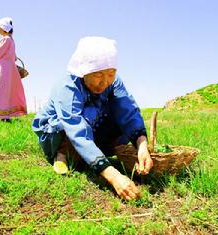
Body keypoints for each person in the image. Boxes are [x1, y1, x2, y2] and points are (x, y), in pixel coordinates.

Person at [32, 36, 153, 200]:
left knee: (117, 113)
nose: (105, 81)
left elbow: (128, 109)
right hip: (61, 131)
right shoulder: (67, 86)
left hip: (92, 126)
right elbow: (76, 129)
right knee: (75, 122)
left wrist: (142, 145)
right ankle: (61, 153)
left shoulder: (113, 82)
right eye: (98, 75)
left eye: (111, 74)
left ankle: (89, 156)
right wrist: (114, 177)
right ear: (84, 71)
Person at [0, 17, 27, 122]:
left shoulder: (5, 39)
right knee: (6, 91)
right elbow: (14, 57)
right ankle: (5, 116)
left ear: (3, 28)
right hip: (9, 69)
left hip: (2, 69)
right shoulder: (12, 40)